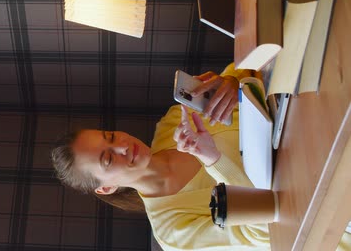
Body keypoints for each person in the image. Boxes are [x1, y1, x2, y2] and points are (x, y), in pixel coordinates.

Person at [52, 63, 271, 250]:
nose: (122, 146)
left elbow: (249, 66)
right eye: (108, 159)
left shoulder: (174, 120)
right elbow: (265, 232)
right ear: (107, 188)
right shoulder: (172, 231)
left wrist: (233, 83)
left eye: (110, 136)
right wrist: (213, 160)